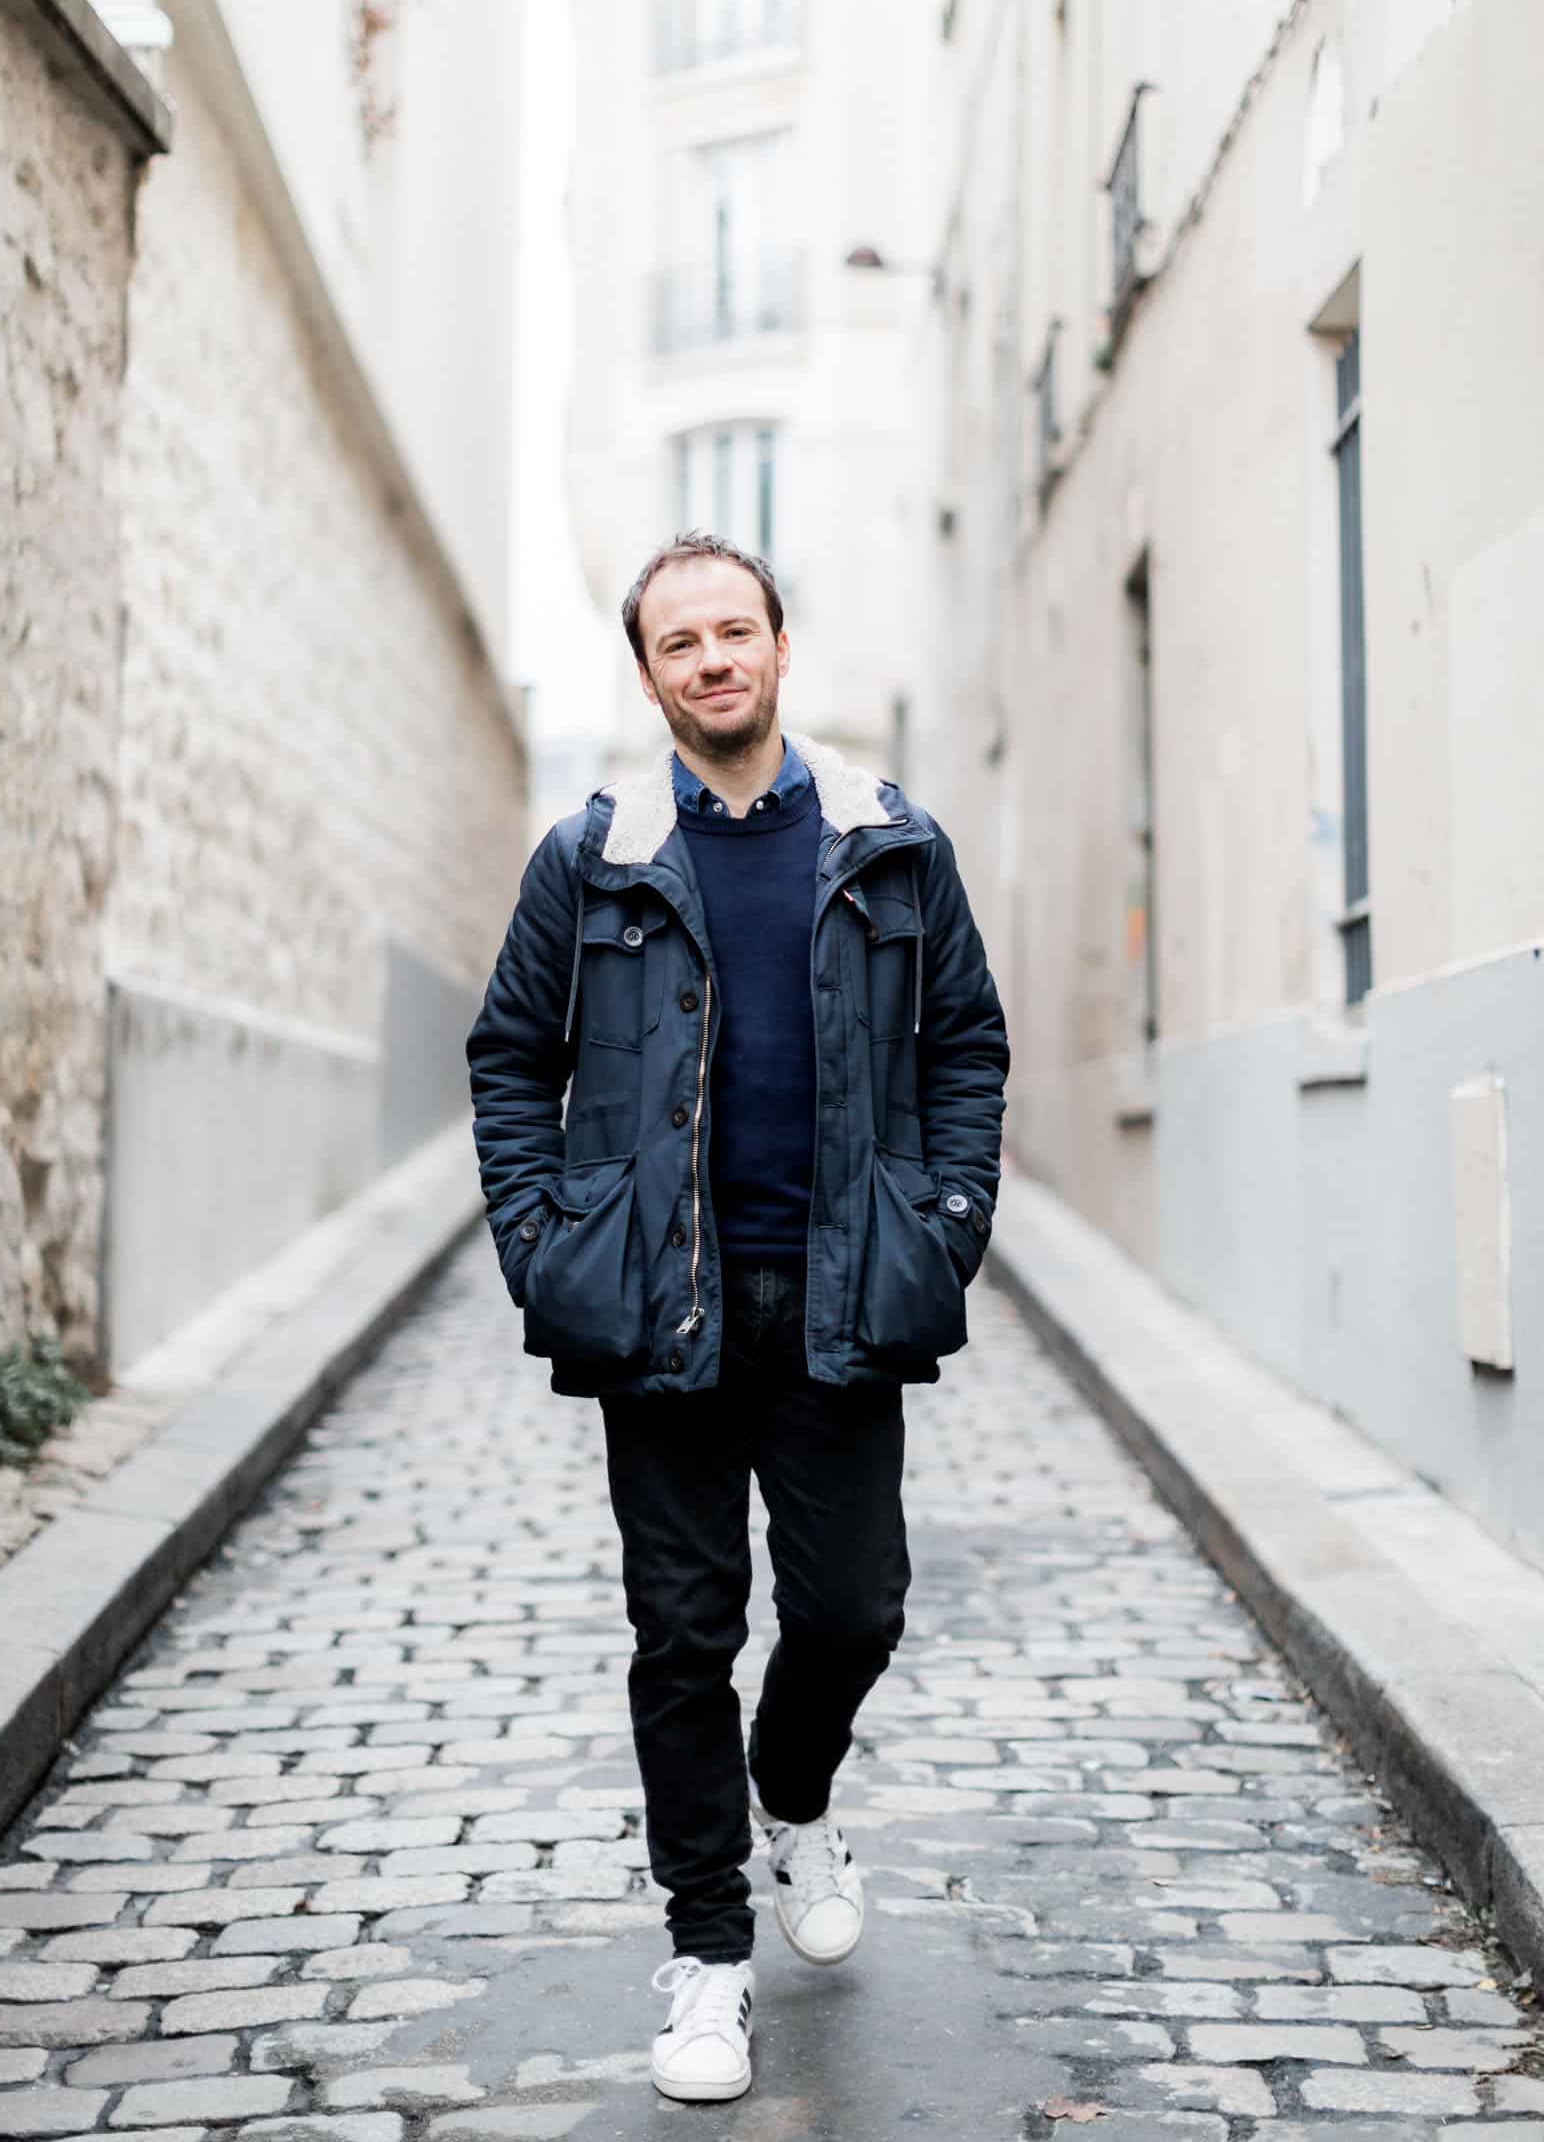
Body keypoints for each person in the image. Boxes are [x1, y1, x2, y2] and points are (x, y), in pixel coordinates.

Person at [465, 534, 1008, 2102]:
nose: (712, 660)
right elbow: (513, 1055)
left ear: (780, 644)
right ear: (649, 674)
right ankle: (707, 1956)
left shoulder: (893, 844)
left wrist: (947, 1222)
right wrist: (541, 1239)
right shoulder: (596, 855)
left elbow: (965, 1043)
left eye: (734, 631)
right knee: (684, 1634)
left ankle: (795, 1794)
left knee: (853, 1612)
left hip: (842, 1296)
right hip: (660, 1310)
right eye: (679, 642)